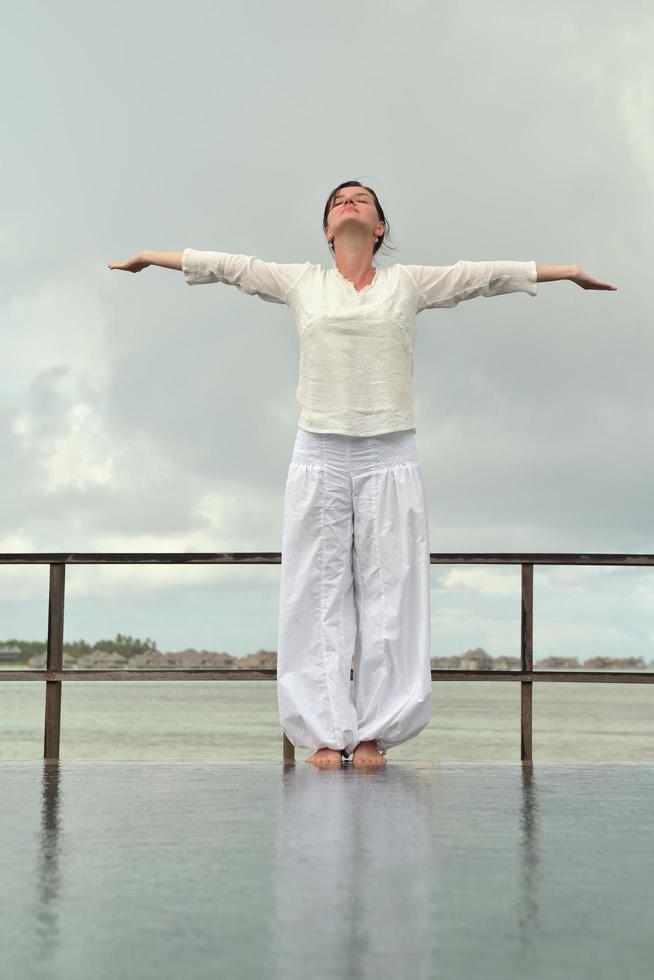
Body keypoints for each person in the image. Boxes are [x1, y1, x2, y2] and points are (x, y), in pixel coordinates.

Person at [108, 180, 618, 769]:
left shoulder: (408, 284)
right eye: (337, 200)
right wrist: (151, 257)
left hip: (389, 453)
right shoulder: (302, 283)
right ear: (328, 229)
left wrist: (568, 271)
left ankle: (375, 731)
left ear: (379, 228)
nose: (349, 202)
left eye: (362, 198)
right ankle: (325, 733)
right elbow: (230, 266)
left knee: (390, 595)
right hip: (319, 452)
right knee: (314, 593)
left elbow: (483, 275)